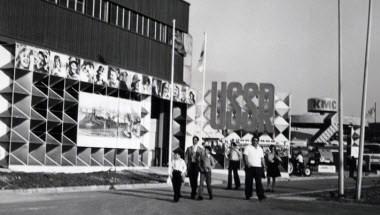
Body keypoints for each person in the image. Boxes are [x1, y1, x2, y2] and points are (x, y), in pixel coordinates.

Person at [244, 135, 266, 201]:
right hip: (250, 167)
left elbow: (262, 158)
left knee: (259, 182)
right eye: (254, 140)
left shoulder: (260, 149)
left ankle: (260, 195)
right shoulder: (248, 147)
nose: (255, 142)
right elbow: (245, 156)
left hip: (258, 167)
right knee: (248, 182)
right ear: (252, 141)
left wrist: (264, 166)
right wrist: (247, 163)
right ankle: (248, 195)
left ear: (258, 141)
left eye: (256, 140)